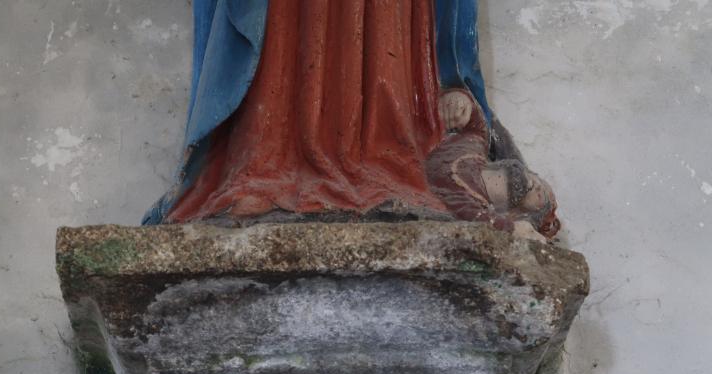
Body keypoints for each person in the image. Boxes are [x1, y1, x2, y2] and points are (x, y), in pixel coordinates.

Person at [143, 0, 559, 240]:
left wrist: (452, 81)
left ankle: (385, 164)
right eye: (523, 186)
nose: (518, 185)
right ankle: (266, 165)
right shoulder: (464, 159)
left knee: (385, 34)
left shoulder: (459, 167)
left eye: (520, 189)